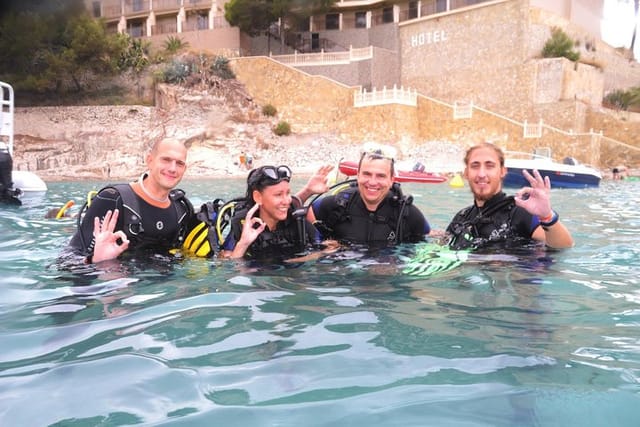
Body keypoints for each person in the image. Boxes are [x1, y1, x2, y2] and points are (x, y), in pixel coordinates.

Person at [67, 138, 213, 263]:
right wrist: (95, 261)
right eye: (166, 160)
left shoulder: (182, 209)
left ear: (184, 169)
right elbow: (67, 261)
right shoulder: (113, 199)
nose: (173, 168)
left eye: (179, 163)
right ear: (149, 160)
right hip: (117, 289)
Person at [446, 142, 574, 250]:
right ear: (466, 173)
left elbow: (564, 246)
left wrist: (547, 216)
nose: (481, 173)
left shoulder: (520, 211)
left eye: (489, 166)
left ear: (502, 171)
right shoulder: (462, 217)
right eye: (475, 166)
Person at [308, 142, 431, 246]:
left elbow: (429, 239)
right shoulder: (338, 204)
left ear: (391, 179)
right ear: (358, 175)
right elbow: (302, 214)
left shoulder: (406, 214)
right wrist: (320, 242)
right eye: (367, 174)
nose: (372, 182)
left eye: (381, 176)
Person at [221, 164, 335, 260]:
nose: (287, 201)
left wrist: (294, 262)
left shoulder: (295, 219)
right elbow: (229, 269)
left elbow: (330, 247)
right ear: (258, 197)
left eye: (288, 193)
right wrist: (243, 244)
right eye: (278, 195)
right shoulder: (243, 224)